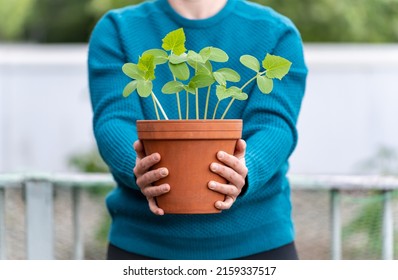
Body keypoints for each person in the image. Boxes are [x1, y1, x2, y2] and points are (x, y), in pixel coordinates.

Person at [88, 0, 308, 260]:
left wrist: (246, 167)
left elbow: (275, 125)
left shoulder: (276, 31)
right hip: (143, 246)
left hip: (257, 245)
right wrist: (140, 166)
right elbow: (113, 120)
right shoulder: (117, 29)